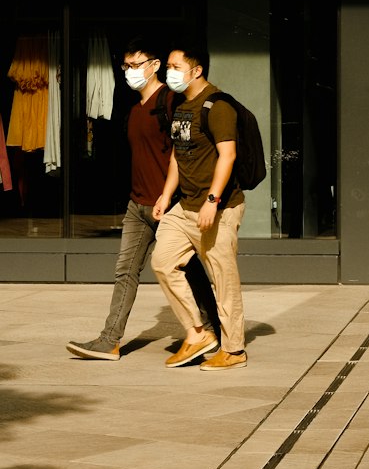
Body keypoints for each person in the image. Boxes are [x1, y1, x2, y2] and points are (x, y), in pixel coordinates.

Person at [67, 38, 219, 362]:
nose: (130, 72)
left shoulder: (170, 102)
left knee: (187, 270)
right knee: (125, 272)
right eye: (126, 66)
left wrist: (171, 196)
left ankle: (210, 331)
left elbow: (183, 152)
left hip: (171, 204)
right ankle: (109, 341)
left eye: (136, 65)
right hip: (138, 206)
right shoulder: (133, 111)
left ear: (154, 66)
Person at [151, 43, 248, 371]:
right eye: (168, 66)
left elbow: (228, 155)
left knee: (223, 279)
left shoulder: (217, 106)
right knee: (162, 262)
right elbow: (178, 154)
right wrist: (166, 195)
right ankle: (197, 333)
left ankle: (234, 351)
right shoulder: (182, 105)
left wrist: (213, 200)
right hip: (186, 205)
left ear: (196, 71)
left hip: (217, 207)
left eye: (176, 67)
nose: (170, 72)